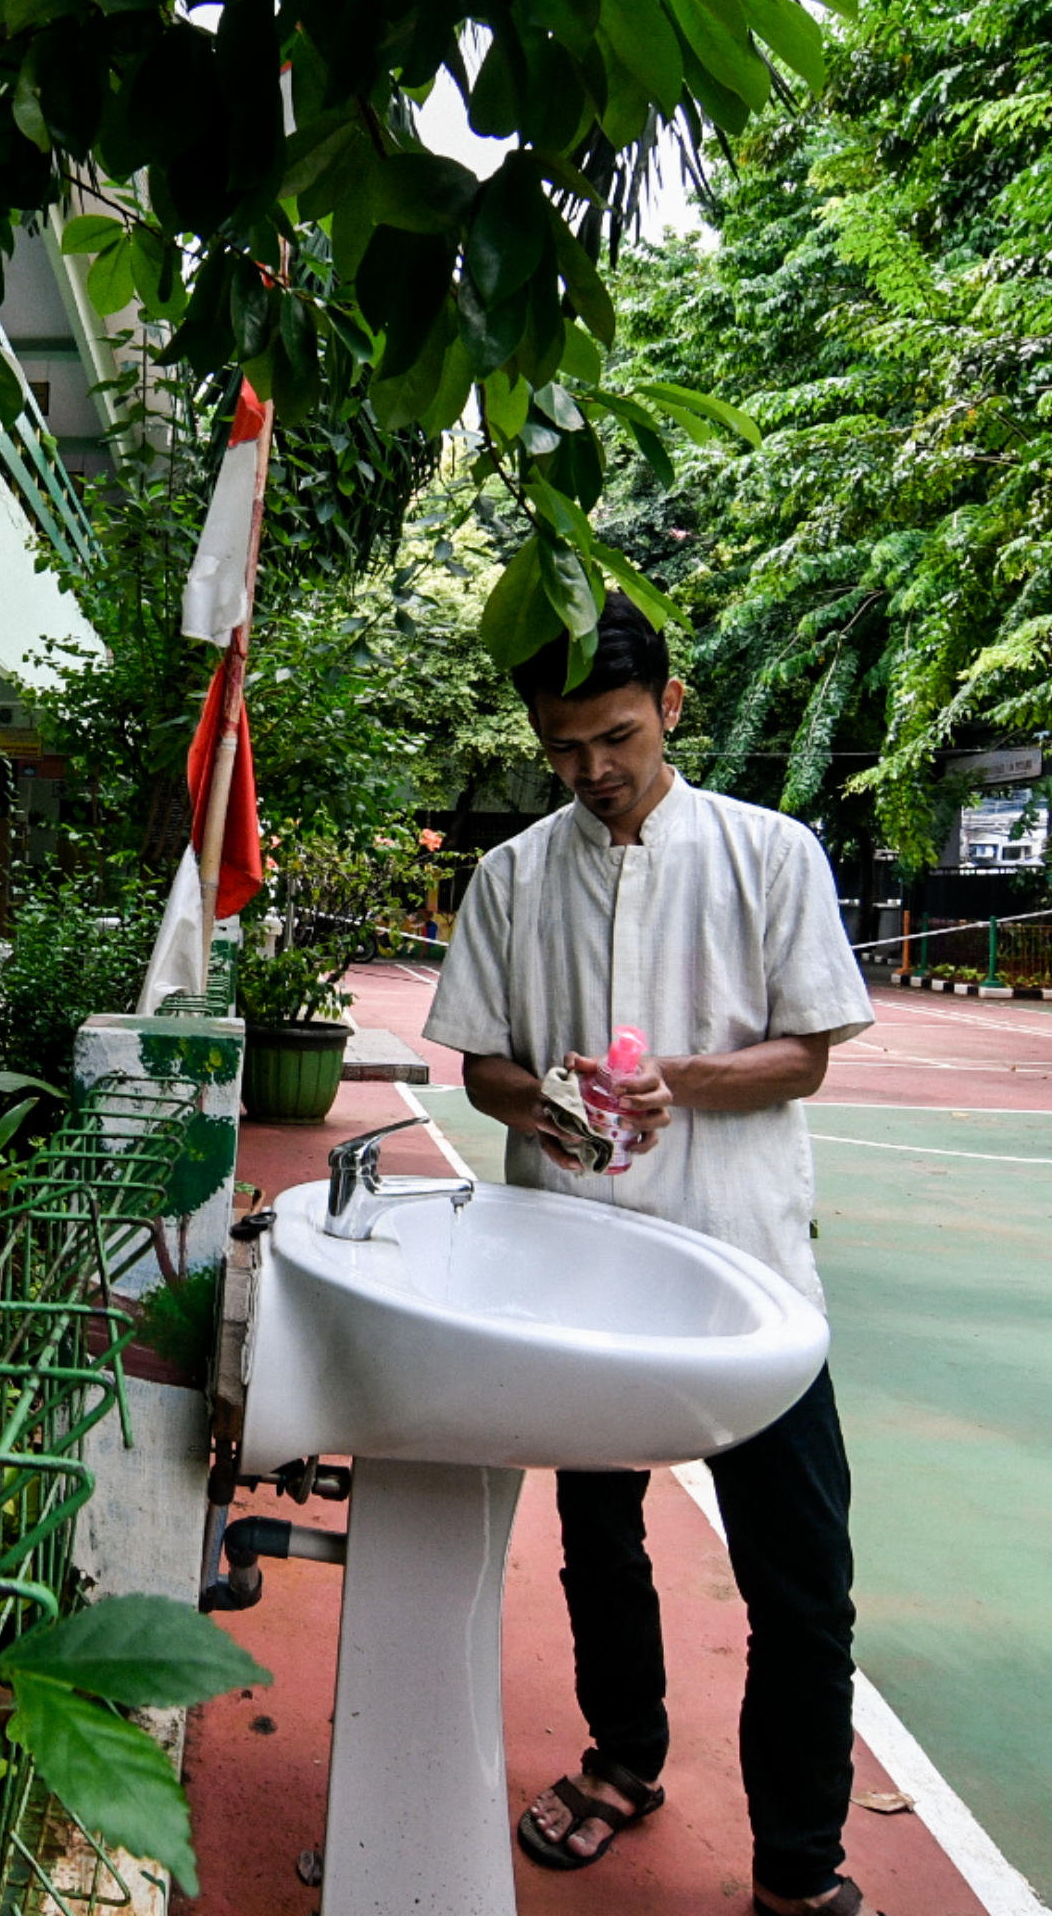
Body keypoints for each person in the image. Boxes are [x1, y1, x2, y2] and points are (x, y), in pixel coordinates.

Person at [422, 594, 879, 1916]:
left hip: (749, 1283)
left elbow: (804, 1053)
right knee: (598, 1539)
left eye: (616, 737)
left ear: (673, 706)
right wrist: (541, 1104)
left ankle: (800, 1871)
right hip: (578, 1278)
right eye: (564, 750)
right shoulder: (512, 875)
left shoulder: (771, 853)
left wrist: (677, 1082)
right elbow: (487, 1064)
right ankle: (624, 1758)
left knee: (804, 1588)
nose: (593, 772)